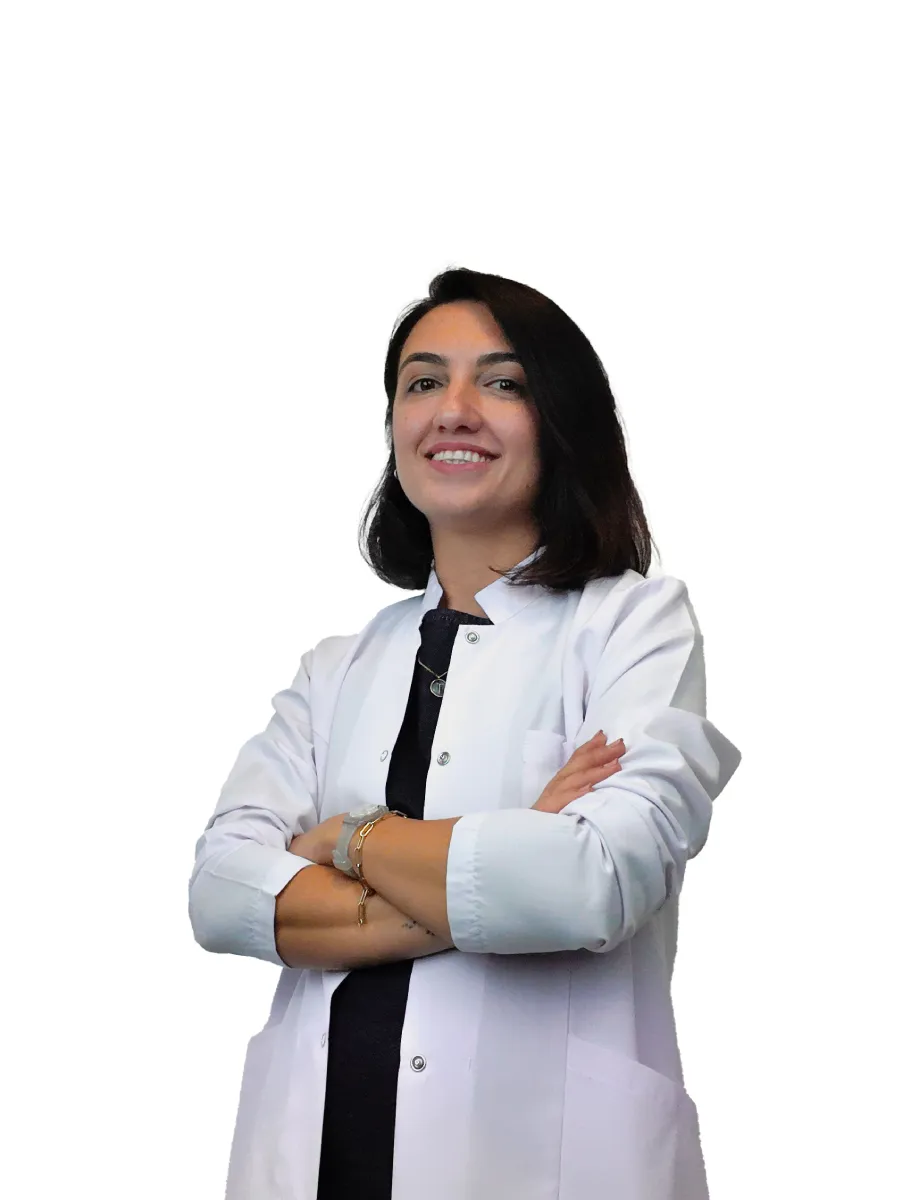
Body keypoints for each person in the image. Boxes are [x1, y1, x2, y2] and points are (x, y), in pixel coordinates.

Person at [188, 266, 742, 1200]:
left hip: (538, 1157)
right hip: (317, 1156)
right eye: (422, 382)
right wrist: (504, 861)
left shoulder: (633, 627)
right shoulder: (335, 668)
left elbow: (594, 883)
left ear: (561, 424)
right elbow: (220, 893)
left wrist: (345, 839)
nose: (452, 410)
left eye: (502, 382)